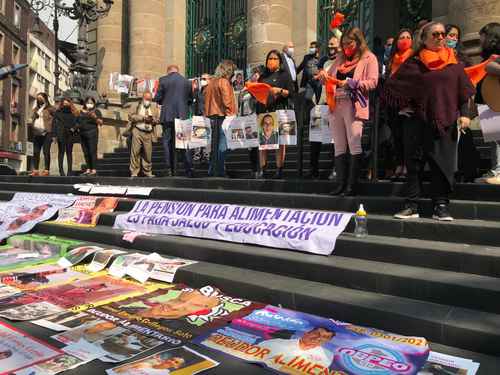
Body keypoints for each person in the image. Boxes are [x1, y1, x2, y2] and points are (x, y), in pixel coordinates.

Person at [384, 22, 475, 221]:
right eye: (435, 34)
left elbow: (463, 93)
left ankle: (441, 206)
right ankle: (411, 205)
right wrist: (403, 106)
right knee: (414, 164)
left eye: (443, 34)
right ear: (424, 39)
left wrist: (465, 114)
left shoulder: (455, 64)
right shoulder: (414, 63)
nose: (440, 37)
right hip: (417, 120)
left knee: (441, 165)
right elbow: (392, 86)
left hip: (445, 120)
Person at [322, 27, 379, 196]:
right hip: (335, 104)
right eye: (344, 44)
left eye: (350, 43)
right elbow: (330, 75)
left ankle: (351, 186)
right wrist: (324, 76)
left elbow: (373, 82)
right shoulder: (340, 58)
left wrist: (352, 83)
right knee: (339, 145)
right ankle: (340, 184)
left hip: (354, 104)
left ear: (358, 42)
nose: (346, 47)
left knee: (354, 143)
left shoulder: (369, 58)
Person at [255, 50, 294, 179]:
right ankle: (263, 169)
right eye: (269, 58)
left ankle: (279, 169)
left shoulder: (284, 75)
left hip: (279, 110)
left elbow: (292, 93)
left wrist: (280, 90)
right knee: (263, 142)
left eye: (275, 58)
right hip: (264, 111)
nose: (271, 60)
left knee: (280, 142)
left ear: (280, 61)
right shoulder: (263, 76)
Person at [306, 36, 341, 180]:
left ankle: (335, 168)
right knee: (315, 138)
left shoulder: (343, 62)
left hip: (336, 104)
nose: (330, 47)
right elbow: (314, 78)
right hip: (320, 104)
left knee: (334, 139)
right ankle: (313, 169)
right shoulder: (324, 61)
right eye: (329, 45)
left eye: (334, 45)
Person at [384, 28, 414, 180]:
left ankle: (408, 166)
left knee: (407, 138)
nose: (405, 40)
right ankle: (399, 165)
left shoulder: (414, 58)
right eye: (402, 37)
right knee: (396, 137)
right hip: (393, 105)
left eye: (408, 37)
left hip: (408, 105)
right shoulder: (391, 60)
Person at [154, 65, 194, 177]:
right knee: (184, 141)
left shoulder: (163, 80)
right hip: (182, 115)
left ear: (168, 71)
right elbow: (190, 99)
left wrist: (164, 100)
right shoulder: (187, 82)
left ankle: (169, 169)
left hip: (167, 115)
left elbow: (157, 98)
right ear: (177, 71)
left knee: (167, 142)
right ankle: (188, 169)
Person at [475, 23, 500, 185]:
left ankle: (499, 171)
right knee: (493, 138)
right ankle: (495, 168)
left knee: (498, 138)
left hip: (497, 100)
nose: (480, 40)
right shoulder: (486, 55)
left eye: (482, 36)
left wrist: (491, 67)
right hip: (487, 100)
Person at [204, 60, 237, 178]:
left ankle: (212, 169)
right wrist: (232, 116)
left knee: (214, 144)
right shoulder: (224, 82)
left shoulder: (211, 82)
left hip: (211, 116)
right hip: (222, 116)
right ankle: (220, 170)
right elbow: (227, 101)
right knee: (223, 145)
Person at [259, 327, 335, 371]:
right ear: (306, 333)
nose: (319, 338)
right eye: (317, 333)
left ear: (326, 342)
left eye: (325, 337)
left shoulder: (325, 359)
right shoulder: (273, 343)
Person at [128, 91, 160, 178]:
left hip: (148, 133)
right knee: (135, 152)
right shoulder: (136, 105)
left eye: (149, 99)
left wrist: (153, 120)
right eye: (146, 99)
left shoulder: (153, 106)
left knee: (148, 153)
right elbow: (131, 116)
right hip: (137, 131)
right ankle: (134, 172)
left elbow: (157, 119)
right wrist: (142, 118)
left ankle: (147, 171)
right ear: (143, 98)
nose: (148, 101)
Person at [52, 97, 79, 176]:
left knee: (69, 153)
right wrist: (54, 135)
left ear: (70, 103)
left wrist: (74, 128)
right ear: (62, 103)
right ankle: (61, 171)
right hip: (61, 133)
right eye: (64, 103)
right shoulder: (58, 112)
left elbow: (79, 122)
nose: (66, 104)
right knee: (61, 152)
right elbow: (54, 124)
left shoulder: (74, 112)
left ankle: (69, 171)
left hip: (70, 134)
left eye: (67, 102)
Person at [29, 92, 54, 176]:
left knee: (46, 151)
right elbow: (32, 119)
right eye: (38, 99)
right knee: (36, 152)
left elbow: (56, 120)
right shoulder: (35, 109)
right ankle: (35, 170)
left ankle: (46, 170)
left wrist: (54, 133)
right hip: (36, 133)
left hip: (47, 133)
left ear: (45, 99)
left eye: (41, 98)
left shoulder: (50, 109)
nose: (39, 100)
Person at [76, 97, 102, 176]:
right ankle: (88, 169)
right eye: (88, 102)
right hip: (82, 134)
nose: (89, 104)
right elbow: (77, 122)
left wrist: (95, 117)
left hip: (92, 133)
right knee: (86, 152)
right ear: (85, 103)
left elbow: (101, 123)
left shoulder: (96, 111)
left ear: (94, 104)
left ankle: (94, 170)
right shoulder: (80, 112)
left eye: (91, 103)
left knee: (92, 151)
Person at [192, 73, 211, 165]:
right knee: (197, 135)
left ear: (209, 80)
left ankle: (206, 155)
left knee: (207, 137)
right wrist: (195, 89)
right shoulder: (198, 90)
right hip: (198, 116)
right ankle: (197, 155)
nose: (202, 80)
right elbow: (193, 101)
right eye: (201, 78)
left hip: (207, 115)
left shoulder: (211, 90)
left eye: (204, 78)